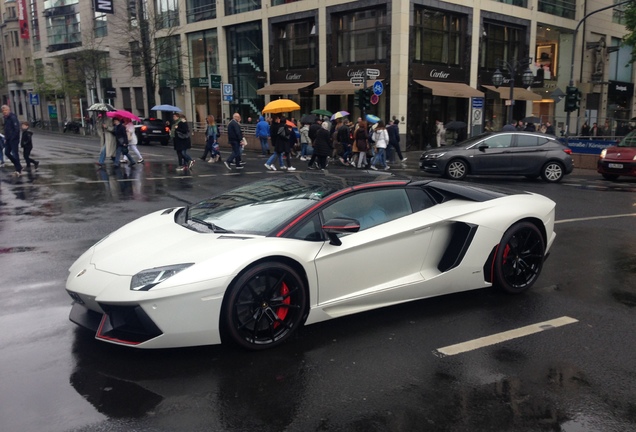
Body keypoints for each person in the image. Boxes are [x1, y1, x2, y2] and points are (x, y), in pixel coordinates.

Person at [2, 104, 22, 175]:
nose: (4, 112)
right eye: (3, 111)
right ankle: (18, 165)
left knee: (15, 154)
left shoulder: (12, 117)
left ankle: (18, 169)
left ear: (9, 110)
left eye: (6, 110)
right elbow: (6, 129)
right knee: (7, 152)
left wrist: (13, 137)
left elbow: (16, 129)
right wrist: (6, 138)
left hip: (13, 139)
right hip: (8, 139)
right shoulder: (5, 118)